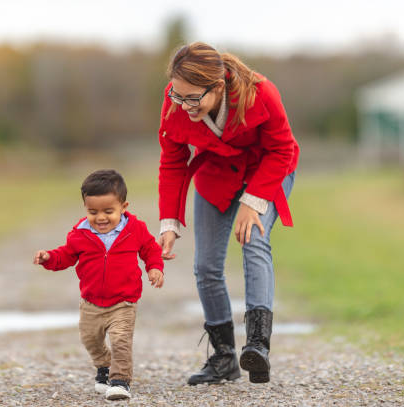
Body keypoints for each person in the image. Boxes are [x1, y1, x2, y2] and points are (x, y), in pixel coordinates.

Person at [157, 42, 299, 385]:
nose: (184, 105)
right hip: (217, 175)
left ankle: (257, 346)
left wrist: (253, 202)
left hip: (266, 171)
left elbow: (282, 149)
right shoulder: (177, 99)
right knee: (205, 265)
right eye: (178, 96)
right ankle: (223, 358)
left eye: (193, 98)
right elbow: (173, 161)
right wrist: (170, 222)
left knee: (253, 242)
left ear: (218, 86)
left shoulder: (262, 93)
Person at [33, 169, 164, 400]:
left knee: (120, 340)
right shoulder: (80, 234)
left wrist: (154, 267)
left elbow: (151, 249)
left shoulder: (135, 229)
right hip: (91, 302)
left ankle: (120, 381)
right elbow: (65, 256)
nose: (100, 218)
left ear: (124, 207)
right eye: (93, 212)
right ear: (85, 208)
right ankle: (104, 367)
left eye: (108, 211)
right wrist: (49, 258)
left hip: (123, 301)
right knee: (90, 339)